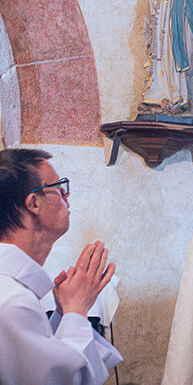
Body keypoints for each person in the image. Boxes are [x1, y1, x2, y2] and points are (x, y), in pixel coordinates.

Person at [0, 148, 122, 384]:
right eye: (59, 188)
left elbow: (38, 358)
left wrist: (63, 314)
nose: (67, 197)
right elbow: (62, 380)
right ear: (34, 203)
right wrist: (77, 310)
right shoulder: (13, 302)